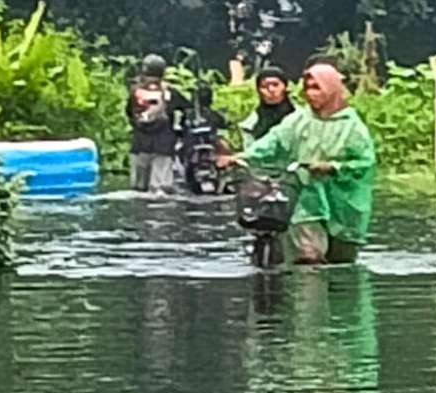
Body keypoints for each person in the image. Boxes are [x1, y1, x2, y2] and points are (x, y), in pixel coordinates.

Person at [225, 62, 376, 264]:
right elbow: (274, 140)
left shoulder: (352, 126)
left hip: (344, 204)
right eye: (307, 88)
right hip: (306, 199)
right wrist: (243, 156)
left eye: (317, 88)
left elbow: (365, 163)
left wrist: (334, 168)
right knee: (309, 256)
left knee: (342, 262)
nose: (311, 94)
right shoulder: (299, 119)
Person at [127, 53, 190, 193]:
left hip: (139, 146)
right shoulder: (170, 92)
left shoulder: (135, 91)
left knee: (138, 191)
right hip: (163, 146)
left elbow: (129, 113)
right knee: (160, 191)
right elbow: (187, 108)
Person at [239, 65, 295, 149]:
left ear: (285, 87)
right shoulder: (251, 123)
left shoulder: (300, 117)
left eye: (275, 85)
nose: (271, 90)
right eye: (264, 86)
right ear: (258, 91)